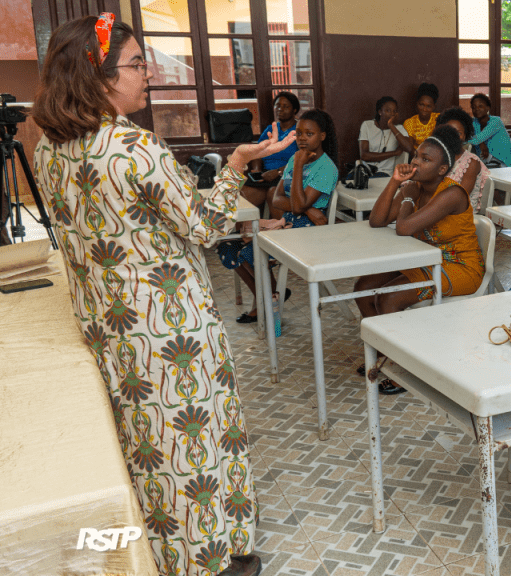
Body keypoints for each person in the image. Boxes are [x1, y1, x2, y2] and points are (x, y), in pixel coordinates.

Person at [32, 14, 298, 576]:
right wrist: (236, 165)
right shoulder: (132, 148)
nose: (147, 71)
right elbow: (204, 227)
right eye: (135, 63)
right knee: (198, 444)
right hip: (171, 329)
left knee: (152, 448)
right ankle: (215, 561)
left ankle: (168, 555)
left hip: (112, 329)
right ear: (98, 76)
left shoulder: (48, 154)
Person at [354, 125, 483, 394]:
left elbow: (403, 227)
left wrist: (407, 199)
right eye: (416, 156)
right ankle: (385, 352)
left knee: (389, 298)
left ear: (442, 169)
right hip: (427, 260)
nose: (416, 162)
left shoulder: (451, 194)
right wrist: (394, 183)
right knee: (363, 288)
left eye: (426, 159)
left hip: (459, 267)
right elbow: (377, 221)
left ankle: (403, 370)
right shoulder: (414, 186)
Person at [219, 109, 340, 323]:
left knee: (250, 252)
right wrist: (306, 208)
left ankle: (269, 299)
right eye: (299, 133)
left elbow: (298, 203)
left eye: (309, 134)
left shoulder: (325, 167)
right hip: (292, 220)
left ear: (322, 136)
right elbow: (276, 199)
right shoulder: (295, 159)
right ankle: (268, 295)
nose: (302, 138)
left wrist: (300, 170)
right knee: (228, 246)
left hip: (309, 230)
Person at [240, 91, 300, 209]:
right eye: (277, 105)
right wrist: (256, 170)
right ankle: (244, 227)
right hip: (266, 175)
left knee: (271, 192)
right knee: (238, 193)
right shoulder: (272, 128)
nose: (280, 109)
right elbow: (257, 152)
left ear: (294, 110)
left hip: (287, 176)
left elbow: (303, 159)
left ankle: (278, 225)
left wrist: (278, 172)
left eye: (285, 106)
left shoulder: (299, 130)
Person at [437, 106, 491, 211]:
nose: (453, 136)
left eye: (459, 133)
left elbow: (459, 198)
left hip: (461, 215)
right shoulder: (438, 157)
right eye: (449, 131)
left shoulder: (471, 162)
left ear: (465, 135)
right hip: (438, 209)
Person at [358, 95, 410, 177]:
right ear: (380, 112)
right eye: (388, 110)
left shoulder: (399, 129)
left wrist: (391, 126)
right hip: (365, 170)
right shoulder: (367, 125)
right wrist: (394, 153)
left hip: (384, 173)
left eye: (394, 111)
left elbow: (408, 148)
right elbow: (364, 155)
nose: (392, 114)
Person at [466, 93, 511, 168]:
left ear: (488, 108)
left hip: (503, 163)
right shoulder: (474, 123)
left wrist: (479, 142)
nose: (476, 109)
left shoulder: (496, 121)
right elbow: (472, 137)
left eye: (480, 106)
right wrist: (481, 143)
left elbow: (476, 139)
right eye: (473, 107)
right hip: (487, 162)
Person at [403, 82, 440, 150]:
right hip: (417, 156)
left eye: (428, 106)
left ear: (434, 107)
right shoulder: (409, 123)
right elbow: (410, 149)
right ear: (417, 103)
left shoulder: (439, 118)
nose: (424, 109)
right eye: (421, 105)